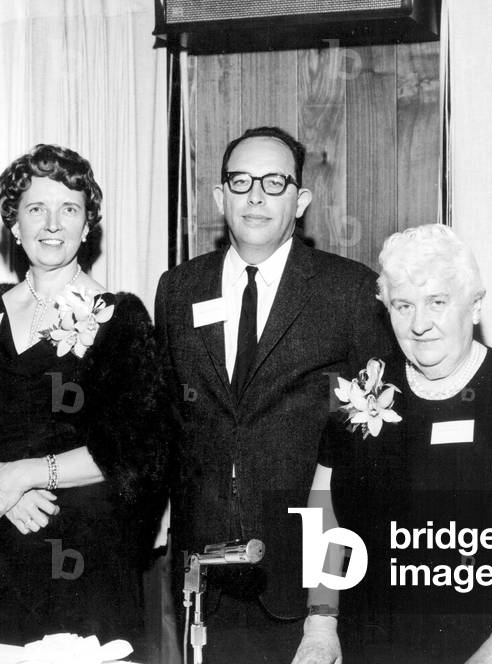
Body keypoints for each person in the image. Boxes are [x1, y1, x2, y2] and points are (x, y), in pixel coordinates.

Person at [292, 223, 492, 664]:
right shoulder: (360, 392)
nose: (419, 324)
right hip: (375, 643)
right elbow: (324, 514)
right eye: (402, 305)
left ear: (475, 306)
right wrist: (320, 624)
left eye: (437, 302)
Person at [155, 126, 395, 661]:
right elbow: (169, 426)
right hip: (205, 585)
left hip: (310, 583)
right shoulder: (177, 290)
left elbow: (369, 448)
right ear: (220, 198)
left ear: (300, 200)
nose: (256, 196)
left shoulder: (349, 290)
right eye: (240, 182)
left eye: (274, 182)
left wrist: (326, 607)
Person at [0, 145, 168, 647]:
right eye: (35, 209)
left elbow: (136, 452)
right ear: (13, 225)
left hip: (84, 561)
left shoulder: (120, 317)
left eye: (69, 209)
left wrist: (23, 475)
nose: (52, 224)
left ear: (88, 227)